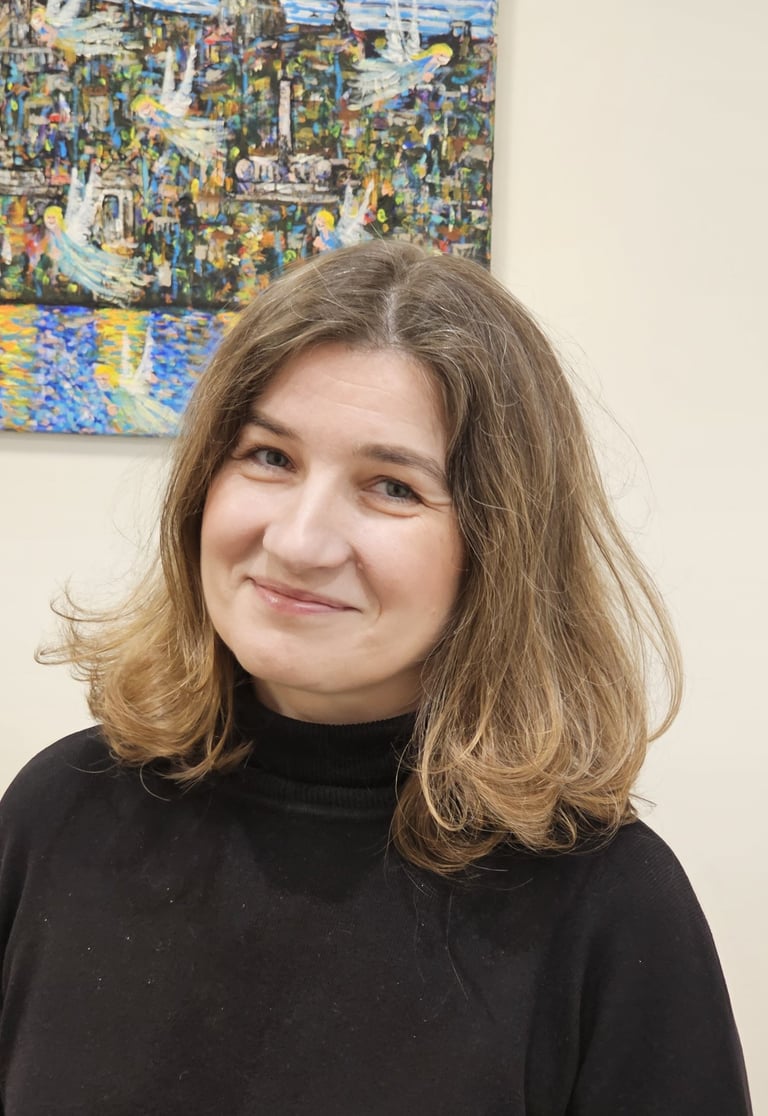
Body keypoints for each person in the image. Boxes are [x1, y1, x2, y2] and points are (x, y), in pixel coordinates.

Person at [0, 241, 752, 1114]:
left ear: (500, 551)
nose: (298, 541)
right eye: (269, 457)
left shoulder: (609, 907)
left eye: (392, 486)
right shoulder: (60, 811)